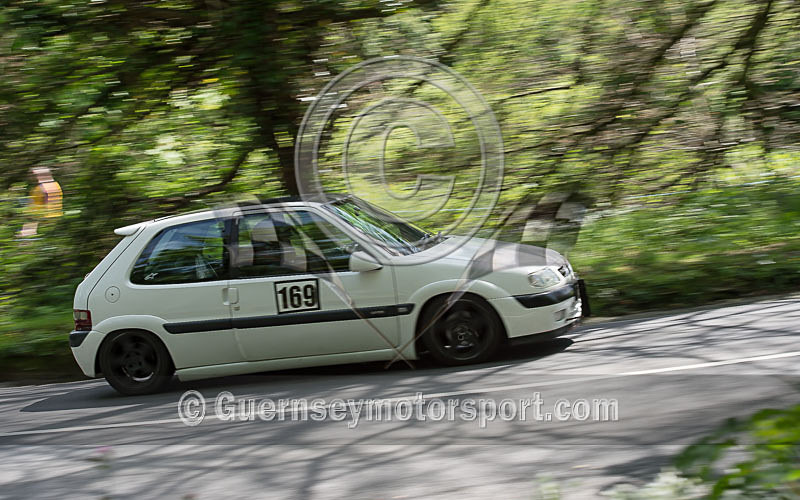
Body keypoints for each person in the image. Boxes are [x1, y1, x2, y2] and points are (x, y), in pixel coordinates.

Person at [17, 167, 63, 238]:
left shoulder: (43, 188)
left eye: (34, 175)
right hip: (48, 218)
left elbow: (38, 207)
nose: (32, 178)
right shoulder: (53, 185)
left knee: (25, 239)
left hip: (40, 220)